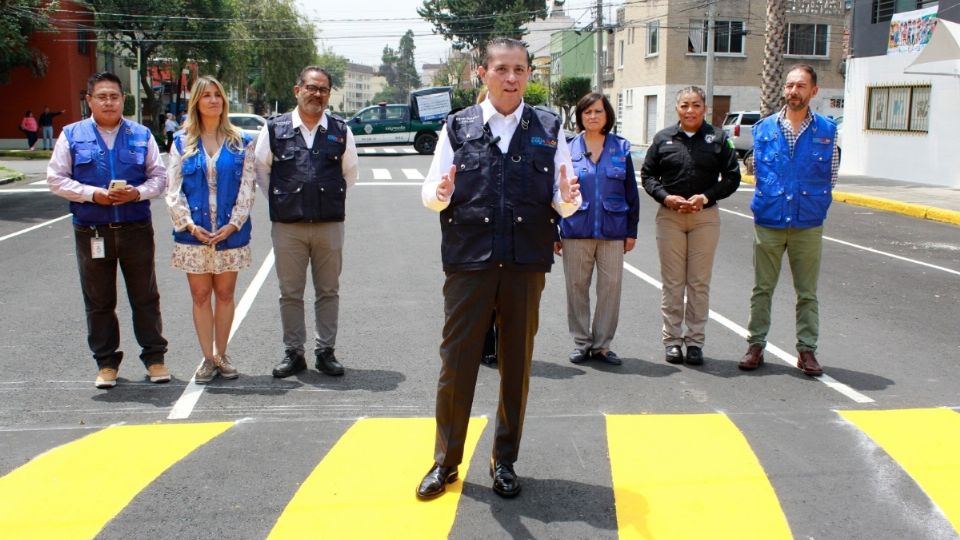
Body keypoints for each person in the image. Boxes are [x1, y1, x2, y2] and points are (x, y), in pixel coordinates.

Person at [417, 37, 582, 501]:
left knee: (516, 367)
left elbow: (566, 202)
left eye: (520, 70)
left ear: (530, 74)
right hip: (469, 261)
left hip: (525, 263)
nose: (512, 78)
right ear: (482, 73)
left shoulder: (549, 128)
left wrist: (569, 198)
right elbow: (430, 195)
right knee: (457, 363)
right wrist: (444, 190)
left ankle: (504, 460)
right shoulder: (458, 127)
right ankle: (445, 462)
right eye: (502, 69)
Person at [46, 72, 170, 389]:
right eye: (102, 96)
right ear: (89, 100)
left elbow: (159, 178)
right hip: (92, 230)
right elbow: (56, 179)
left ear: (122, 100)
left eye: (114, 96)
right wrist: (93, 194)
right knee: (99, 300)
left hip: (135, 228)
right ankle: (106, 364)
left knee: (145, 295)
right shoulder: (71, 135)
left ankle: (155, 359)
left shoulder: (141, 135)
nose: (109, 102)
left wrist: (137, 193)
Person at [254, 66, 359, 379]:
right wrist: (287, 200)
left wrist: (323, 199)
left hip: (329, 225)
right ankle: (294, 352)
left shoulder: (340, 130)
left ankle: (325, 351)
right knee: (290, 292)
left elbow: (349, 173)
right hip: (288, 226)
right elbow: (262, 171)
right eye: (311, 88)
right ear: (297, 90)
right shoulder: (275, 128)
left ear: (328, 94)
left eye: (323, 89)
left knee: (328, 290)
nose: (317, 94)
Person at [739, 65, 839, 377]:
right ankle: (755, 346)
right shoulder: (764, 128)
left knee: (807, 292)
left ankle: (807, 350)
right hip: (769, 219)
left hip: (807, 222)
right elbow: (755, 169)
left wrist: (810, 201)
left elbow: (831, 175)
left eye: (801, 86)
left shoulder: (827, 131)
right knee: (762, 289)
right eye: (789, 85)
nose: (793, 91)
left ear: (814, 91)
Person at [641, 86, 741, 366]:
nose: (690, 110)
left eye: (696, 105)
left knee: (698, 282)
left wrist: (706, 196)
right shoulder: (663, 139)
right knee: (673, 283)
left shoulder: (718, 139)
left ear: (704, 108)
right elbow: (648, 175)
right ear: (677, 109)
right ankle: (672, 341)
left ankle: (695, 342)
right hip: (670, 217)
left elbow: (732, 177)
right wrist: (665, 197)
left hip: (704, 217)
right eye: (684, 105)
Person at [166, 76, 256, 384]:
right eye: (206, 96)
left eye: (218, 94)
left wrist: (233, 224)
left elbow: (248, 186)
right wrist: (190, 225)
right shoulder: (181, 142)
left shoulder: (241, 140)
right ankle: (206, 359)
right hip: (195, 235)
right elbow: (173, 189)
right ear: (196, 102)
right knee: (201, 295)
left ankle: (222, 354)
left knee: (226, 294)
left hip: (231, 235)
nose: (213, 100)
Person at [557, 92, 639, 366]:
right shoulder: (567, 149)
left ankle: (602, 346)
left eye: (598, 112)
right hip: (575, 229)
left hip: (613, 231)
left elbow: (631, 193)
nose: (592, 116)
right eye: (587, 112)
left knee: (610, 289)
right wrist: (552, 231)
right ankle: (582, 343)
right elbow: (554, 191)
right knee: (576, 287)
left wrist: (631, 231)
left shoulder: (621, 148)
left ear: (607, 116)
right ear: (580, 116)